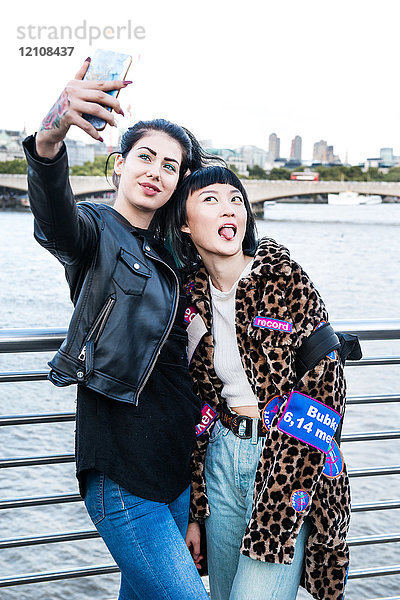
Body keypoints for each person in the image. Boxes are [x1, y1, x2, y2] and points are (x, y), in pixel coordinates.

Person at [22, 58, 212, 600]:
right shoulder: (97, 233)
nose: (155, 171)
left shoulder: (177, 257)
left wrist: (197, 501)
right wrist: (53, 134)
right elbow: (55, 223)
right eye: (145, 157)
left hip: (176, 471)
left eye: (170, 166)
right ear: (119, 164)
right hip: (121, 469)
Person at [163, 166, 351, 600]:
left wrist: (282, 497)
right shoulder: (189, 298)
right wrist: (195, 511)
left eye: (235, 199)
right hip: (221, 462)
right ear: (185, 222)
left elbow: (325, 390)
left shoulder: (283, 277)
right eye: (210, 199)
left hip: (285, 458)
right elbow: (194, 406)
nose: (229, 208)